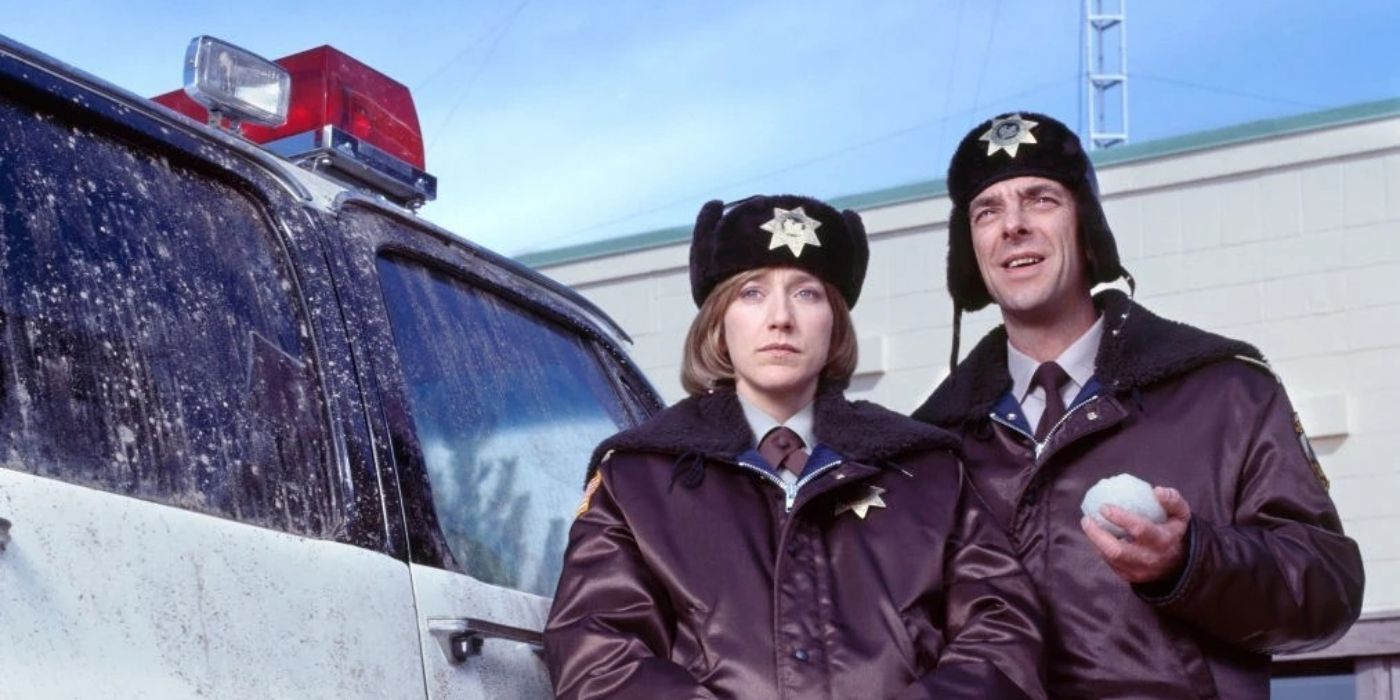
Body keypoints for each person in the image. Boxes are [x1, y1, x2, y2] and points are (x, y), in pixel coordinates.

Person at [912, 112, 1366, 698]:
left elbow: (1328, 589)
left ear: (1086, 224)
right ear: (968, 247)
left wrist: (1192, 562)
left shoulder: (1226, 390)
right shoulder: (930, 443)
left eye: (1040, 199)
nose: (1013, 226)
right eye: (987, 211)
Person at [546, 194, 1046, 700]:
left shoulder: (926, 471)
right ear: (718, 323)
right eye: (752, 293)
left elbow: (1002, 635)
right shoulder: (639, 479)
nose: (780, 317)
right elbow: (598, 653)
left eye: (806, 294)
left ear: (835, 322)